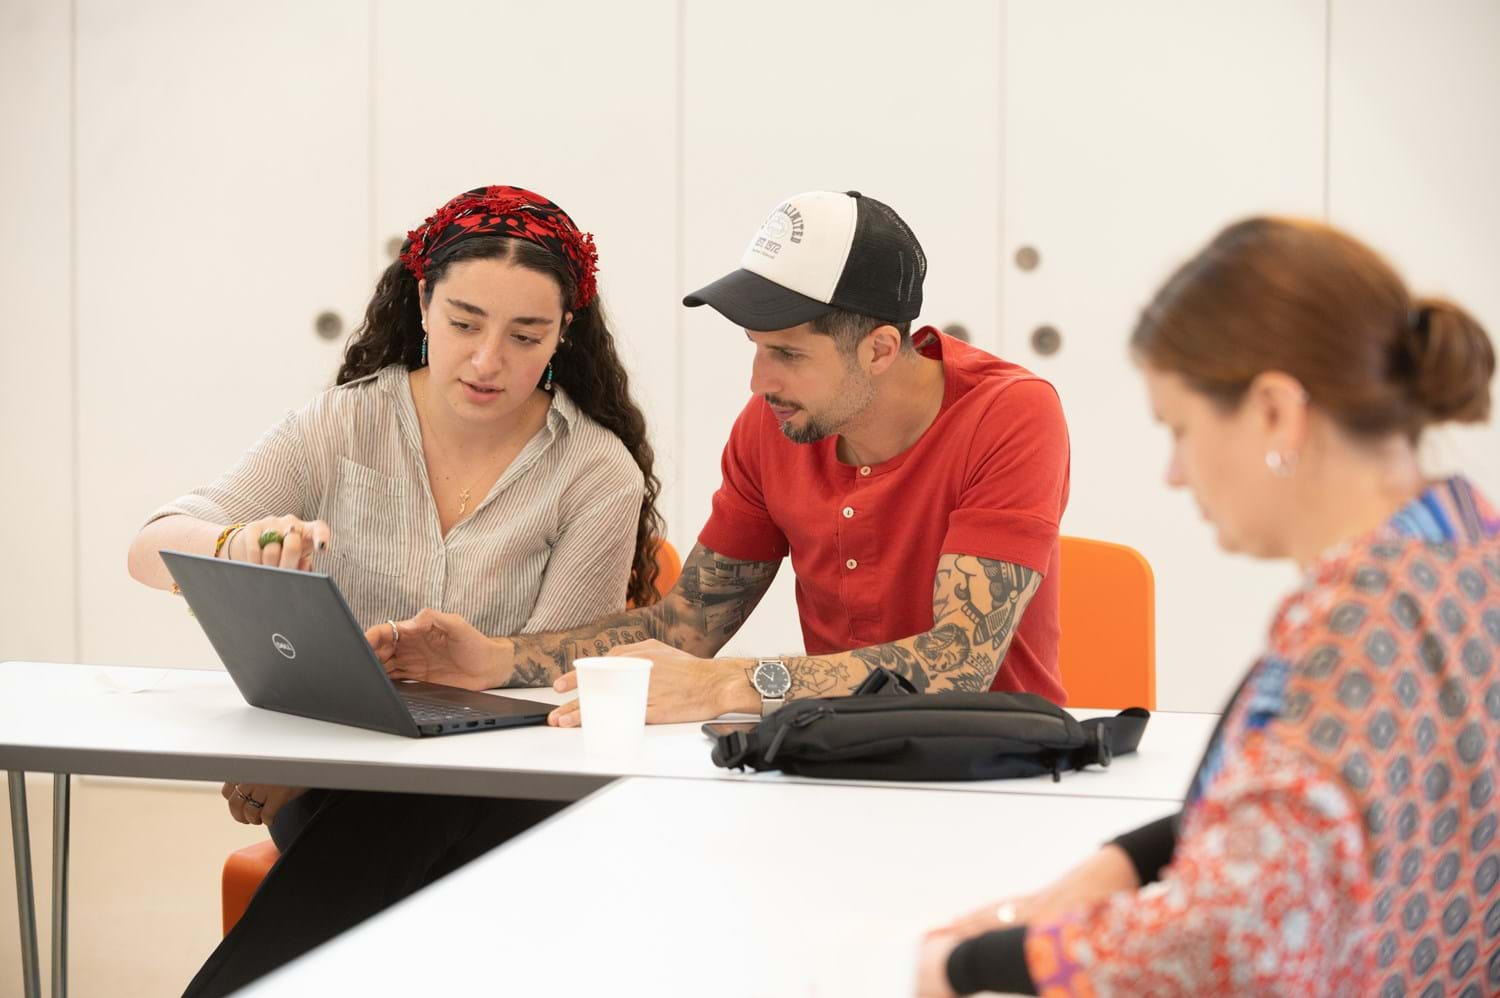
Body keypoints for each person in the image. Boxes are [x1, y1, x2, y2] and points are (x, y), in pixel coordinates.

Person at [916, 217, 1500, 996]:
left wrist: (977, 967)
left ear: (1274, 413)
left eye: (1180, 429)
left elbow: (1230, 936)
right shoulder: (1469, 548)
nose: (1174, 475)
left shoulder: (1355, 625)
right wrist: (1130, 860)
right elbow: (1345, 807)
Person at [126, 185, 663, 996]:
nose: (489, 361)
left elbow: (555, 700)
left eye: (526, 336)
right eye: (463, 324)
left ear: (564, 332)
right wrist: (242, 543)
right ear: (421, 300)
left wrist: (307, 767)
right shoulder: (340, 426)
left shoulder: (595, 473)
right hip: (347, 776)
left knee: (413, 814)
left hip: (502, 782)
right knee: (400, 823)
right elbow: (149, 548)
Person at [375, 189, 1071, 727]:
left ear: (881, 350)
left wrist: (729, 685)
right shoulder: (772, 428)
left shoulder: (1010, 415)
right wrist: (495, 659)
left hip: (996, 768)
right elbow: (684, 628)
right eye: (756, 348)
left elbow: (959, 665)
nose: (759, 382)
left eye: (788, 354)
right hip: (832, 755)